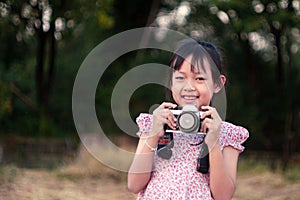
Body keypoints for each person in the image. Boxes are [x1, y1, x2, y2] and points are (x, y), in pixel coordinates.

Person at [127, 37, 249, 200]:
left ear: (217, 84)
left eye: (199, 78)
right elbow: (134, 185)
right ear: (170, 82)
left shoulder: (226, 133)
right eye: (180, 78)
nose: (189, 87)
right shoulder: (155, 123)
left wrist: (213, 143)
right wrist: (154, 135)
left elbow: (223, 196)